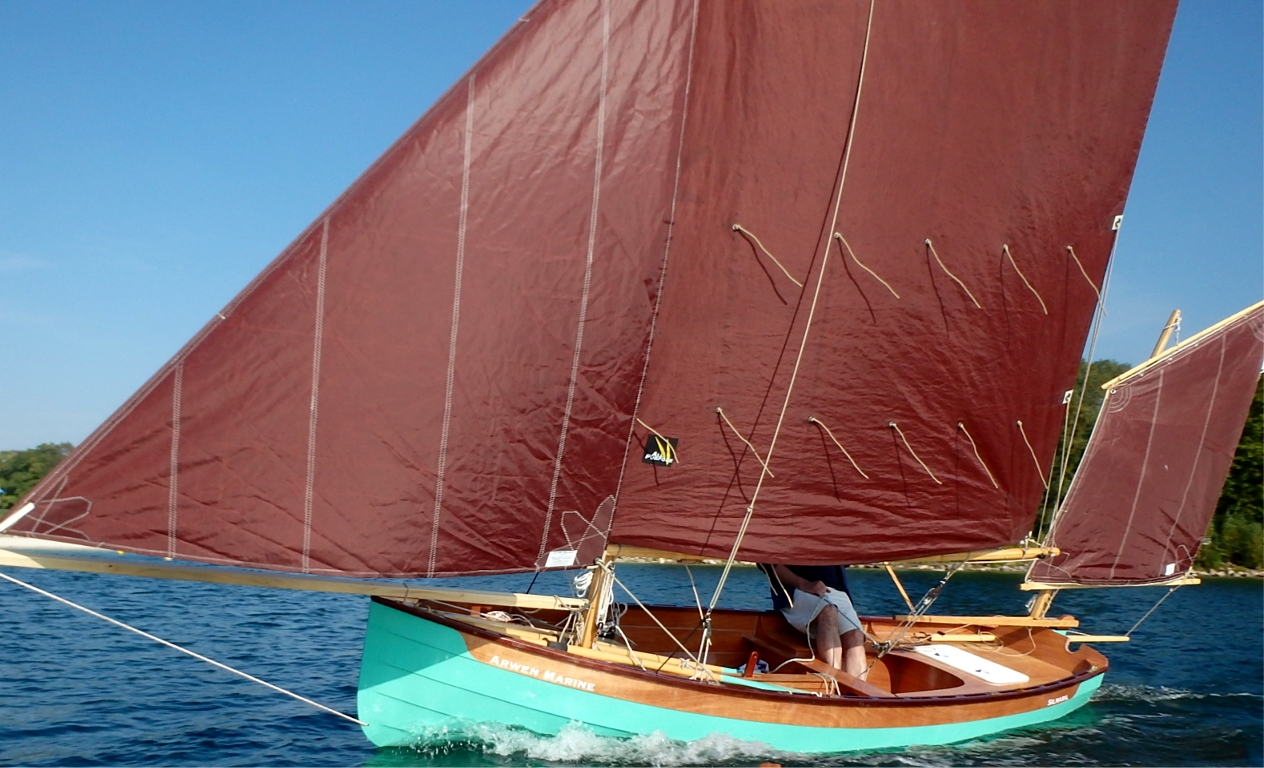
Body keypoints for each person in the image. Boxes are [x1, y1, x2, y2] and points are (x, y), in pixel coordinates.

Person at [758, 563, 868, 680]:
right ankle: (833, 683)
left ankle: (856, 694)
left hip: (835, 589)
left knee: (855, 635)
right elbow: (767, 563)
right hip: (796, 590)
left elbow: (847, 555)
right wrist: (804, 584)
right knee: (828, 611)